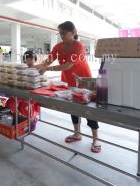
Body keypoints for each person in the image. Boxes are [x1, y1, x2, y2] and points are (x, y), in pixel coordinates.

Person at [36, 21, 101, 153]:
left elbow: (67, 66)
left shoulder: (78, 46)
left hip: (84, 83)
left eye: (64, 33)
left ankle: (96, 138)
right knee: (73, 108)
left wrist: (47, 68)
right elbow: (48, 60)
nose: (62, 36)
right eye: (60, 33)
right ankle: (77, 133)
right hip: (69, 82)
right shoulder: (58, 47)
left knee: (89, 110)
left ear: (73, 33)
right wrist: (36, 67)